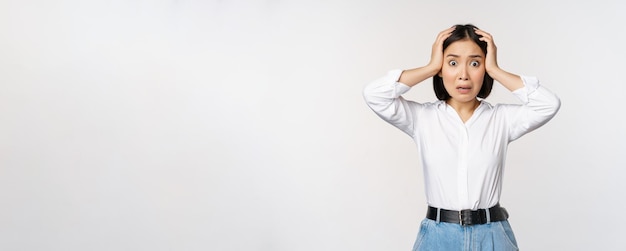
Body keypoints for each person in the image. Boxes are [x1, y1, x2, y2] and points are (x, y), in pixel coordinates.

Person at [362, 24, 561, 251]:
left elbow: (548, 104)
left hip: (492, 236)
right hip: (438, 237)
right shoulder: (422, 118)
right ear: (441, 68)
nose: (463, 75)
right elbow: (374, 94)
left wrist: (495, 70)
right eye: (452, 63)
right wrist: (430, 67)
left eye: (475, 63)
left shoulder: (501, 119)